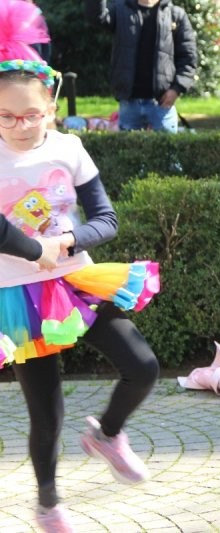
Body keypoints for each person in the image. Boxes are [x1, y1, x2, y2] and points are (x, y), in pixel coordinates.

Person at [0, 9, 161, 531]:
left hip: (76, 281)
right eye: (6, 117)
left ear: (50, 107)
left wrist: (64, 242)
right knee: (47, 415)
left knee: (143, 366)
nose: (20, 126)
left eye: (31, 115)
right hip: (18, 296)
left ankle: (108, 434)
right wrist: (34, 251)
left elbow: (107, 219)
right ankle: (48, 502)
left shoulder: (70, 148)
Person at [85, 0, 198, 133]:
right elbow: (96, 18)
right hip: (129, 102)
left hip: (162, 102)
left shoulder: (175, 14)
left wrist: (176, 89)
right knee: (128, 147)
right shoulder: (120, 10)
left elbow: (188, 57)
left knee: (166, 146)